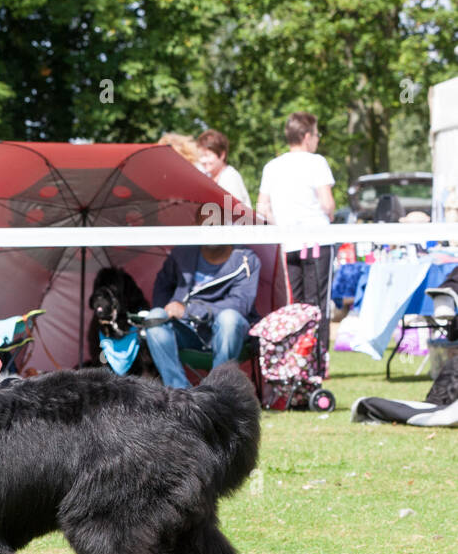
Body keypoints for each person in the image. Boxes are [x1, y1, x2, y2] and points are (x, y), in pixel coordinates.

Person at [256, 111, 336, 374]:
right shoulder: (316, 162)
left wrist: (280, 225)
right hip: (316, 240)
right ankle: (318, 362)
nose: (318, 140)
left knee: (295, 304)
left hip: (287, 243)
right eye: (316, 135)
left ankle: (296, 358)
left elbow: (262, 207)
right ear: (306, 136)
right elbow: (327, 204)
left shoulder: (272, 166)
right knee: (318, 304)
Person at [144, 244, 261, 389]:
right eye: (206, 222)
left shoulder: (245, 259)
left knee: (230, 319)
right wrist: (168, 308)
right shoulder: (181, 253)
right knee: (154, 317)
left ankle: (217, 394)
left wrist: (189, 311)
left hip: (227, 333)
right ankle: (179, 394)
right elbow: (162, 288)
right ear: (196, 224)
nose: (212, 225)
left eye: (218, 222)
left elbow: (240, 304)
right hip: (187, 331)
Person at [195, 129, 251, 209]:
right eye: (201, 156)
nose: (203, 160)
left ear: (222, 155)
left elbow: (236, 214)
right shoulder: (208, 176)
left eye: (207, 155)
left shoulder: (229, 177)